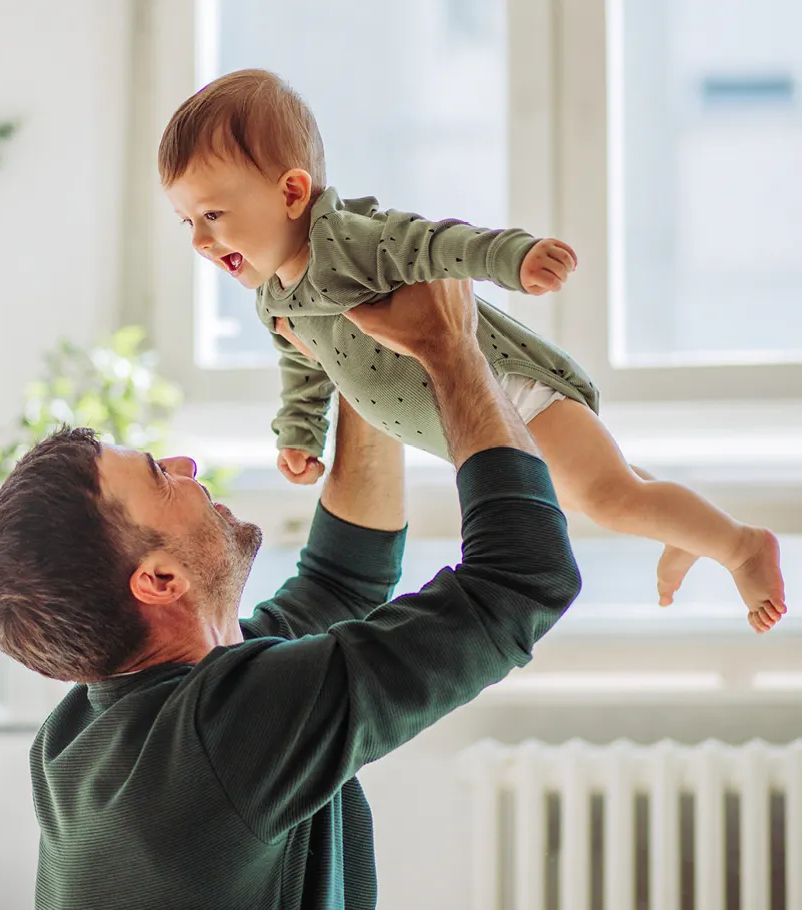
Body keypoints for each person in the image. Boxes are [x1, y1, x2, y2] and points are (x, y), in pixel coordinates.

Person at [0, 278, 580, 909]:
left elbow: (341, 582)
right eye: (158, 475)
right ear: (158, 581)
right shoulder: (220, 733)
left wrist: (361, 362)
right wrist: (450, 348)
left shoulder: (87, 728)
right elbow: (522, 579)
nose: (185, 467)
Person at [159, 68, 784, 632]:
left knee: (606, 497)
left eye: (214, 213)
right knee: (604, 491)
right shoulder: (272, 296)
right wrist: (299, 429)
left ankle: (740, 547)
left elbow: (436, 244)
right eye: (189, 222)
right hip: (469, 424)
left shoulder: (348, 241)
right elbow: (304, 363)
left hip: (507, 390)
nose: (200, 240)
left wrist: (515, 258)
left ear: (292, 193)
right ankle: (682, 529)